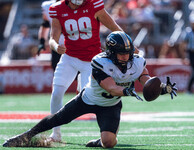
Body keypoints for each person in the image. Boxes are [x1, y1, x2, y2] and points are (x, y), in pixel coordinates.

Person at [2, 31, 177, 148]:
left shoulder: (137, 61)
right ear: (110, 52)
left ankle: (98, 142)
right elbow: (111, 87)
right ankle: (25, 136)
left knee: (109, 143)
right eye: (121, 53)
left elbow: (145, 80)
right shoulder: (100, 62)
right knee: (58, 119)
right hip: (88, 99)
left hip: (110, 105)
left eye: (128, 52)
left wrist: (161, 88)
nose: (126, 57)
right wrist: (127, 92)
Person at [44, 0, 126, 143]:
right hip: (70, 58)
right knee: (57, 92)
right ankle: (55, 134)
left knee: (94, 99)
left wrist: (129, 44)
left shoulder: (93, 5)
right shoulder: (57, 9)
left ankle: (106, 135)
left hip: (92, 61)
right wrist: (56, 47)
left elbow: (114, 27)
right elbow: (52, 38)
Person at [37, 0, 63, 71]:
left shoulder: (74, 5)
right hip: (57, 45)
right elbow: (45, 24)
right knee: (57, 70)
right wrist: (42, 42)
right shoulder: (48, 6)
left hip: (74, 45)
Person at [180, 14, 194, 93]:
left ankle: (189, 89)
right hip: (191, 53)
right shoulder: (188, 32)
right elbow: (183, 44)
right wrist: (183, 55)